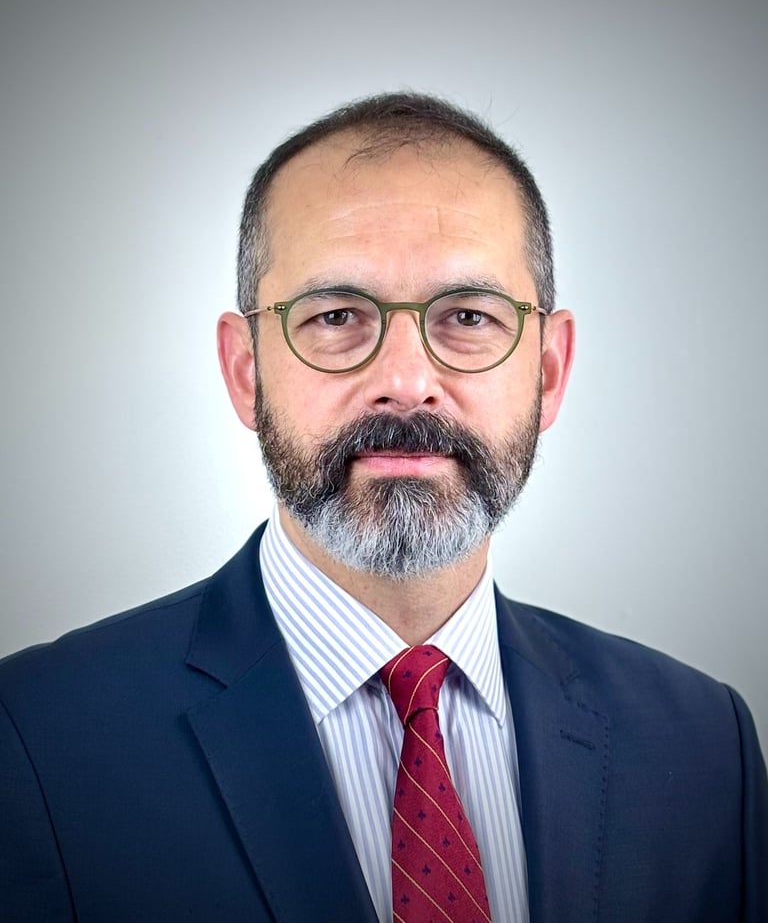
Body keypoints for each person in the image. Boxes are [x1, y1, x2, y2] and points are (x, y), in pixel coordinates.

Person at [0, 93, 765, 923]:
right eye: (336, 317)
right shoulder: (36, 741)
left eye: (468, 316)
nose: (405, 379)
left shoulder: (703, 746)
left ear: (548, 370)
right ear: (246, 370)